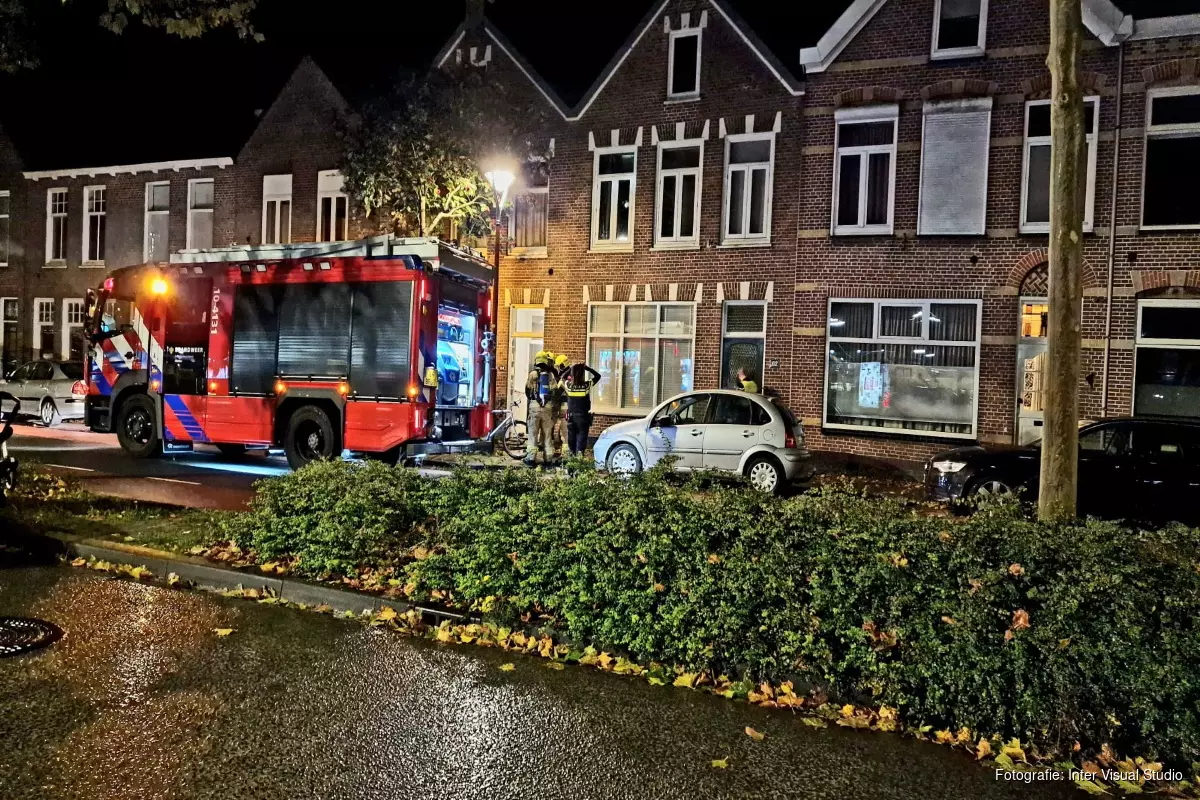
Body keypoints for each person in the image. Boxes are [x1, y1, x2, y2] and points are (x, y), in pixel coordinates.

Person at [524, 350, 559, 466]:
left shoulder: (532, 374)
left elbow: (527, 390)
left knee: (533, 434)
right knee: (547, 435)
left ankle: (531, 459)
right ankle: (548, 459)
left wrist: (534, 400)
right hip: (547, 407)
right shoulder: (550, 375)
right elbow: (555, 391)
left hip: (534, 406)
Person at [563, 361, 603, 457]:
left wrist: (572, 368)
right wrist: (587, 368)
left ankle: (572, 460)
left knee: (571, 441)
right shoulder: (586, 386)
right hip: (583, 418)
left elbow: (563, 377)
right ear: (582, 375)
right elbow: (598, 376)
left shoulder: (569, 386)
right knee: (581, 441)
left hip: (571, 417)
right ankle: (579, 460)